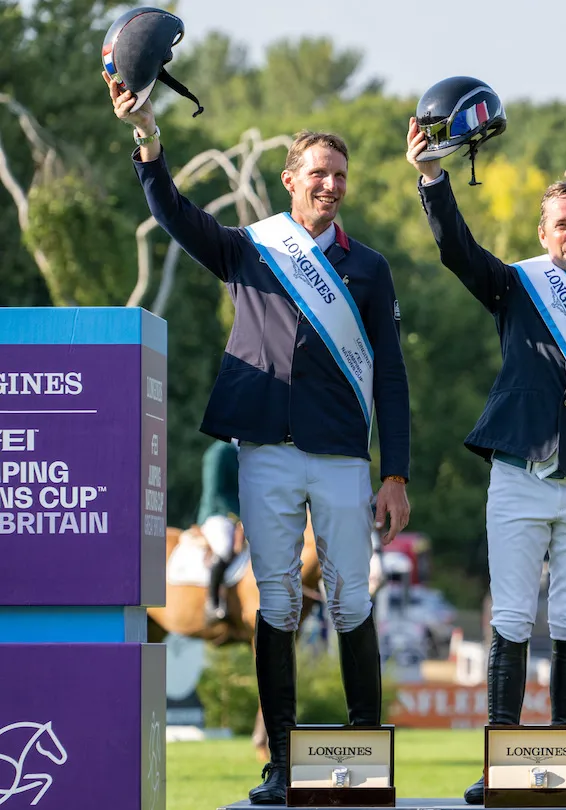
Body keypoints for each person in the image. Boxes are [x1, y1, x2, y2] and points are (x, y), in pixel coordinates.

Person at [108, 80, 411, 805]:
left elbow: (393, 378)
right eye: (319, 175)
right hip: (264, 451)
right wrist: (149, 141)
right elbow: (174, 214)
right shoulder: (251, 249)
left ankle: (365, 761)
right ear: (290, 181)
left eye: (340, 176)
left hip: (341, 455)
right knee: (275, 603)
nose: (331, 186)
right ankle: (279, 767)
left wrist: (395, 473)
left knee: (350, 602)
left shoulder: (368, 267)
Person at [406, 109, 566, 805]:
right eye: (561, 224)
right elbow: (458, 249)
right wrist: (432, 176)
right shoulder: (519, 286)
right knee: (513, 619)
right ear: (544, 235)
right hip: (519, 476)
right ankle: (502, 764)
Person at [197, 439, 241, 622]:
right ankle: (212, 603)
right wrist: (241, 515)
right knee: (224, 549)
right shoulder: (219, 452)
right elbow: (216, 492)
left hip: (238, 515)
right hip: (218, 514)